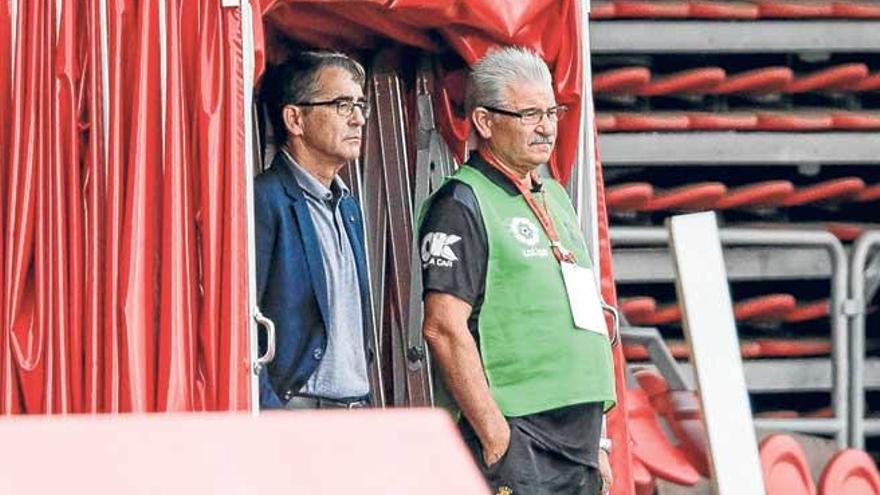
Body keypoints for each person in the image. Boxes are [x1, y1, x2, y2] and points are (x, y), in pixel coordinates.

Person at [419, 47, 617, 494]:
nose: (546, 127)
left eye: (551, 111)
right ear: (485, 122)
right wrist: (495, 436)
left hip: (578, 436)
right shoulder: (461, 203)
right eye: (529, 114)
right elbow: (443, 328)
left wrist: (598, 440)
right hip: (520, 434)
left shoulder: (555, 195)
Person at [254, 51, 374, 410]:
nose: (358, 119)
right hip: (298, 418)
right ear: (295, 118)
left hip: (353, 413)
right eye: (342, 104)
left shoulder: (347, 206)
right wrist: (272, 414)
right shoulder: (265, 200)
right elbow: (238, 325)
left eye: (360, 105)